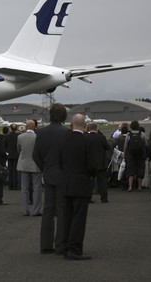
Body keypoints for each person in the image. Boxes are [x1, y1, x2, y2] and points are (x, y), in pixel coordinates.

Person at [33, 103, 68, 255]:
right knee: (62, 210)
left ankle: (46, 245)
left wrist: (45, 168)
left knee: (48, 209)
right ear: (64, 116)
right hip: (63, 175)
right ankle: (61, 244)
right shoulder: (67, 133)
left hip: (48, 173)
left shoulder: (41, 133)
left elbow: (36, 155)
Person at [59, 114, 94, 260]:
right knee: (79, 218)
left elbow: (60, 161)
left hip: (66, 182)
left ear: (71, 124)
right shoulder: (87, 141)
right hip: (81, 182)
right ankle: (74, 249)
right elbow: (92, 165)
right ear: (84, 125)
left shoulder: (63, 140)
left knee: (67, 216)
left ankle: (65, 246)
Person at [17, 120, 43, 216]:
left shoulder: (20, 137)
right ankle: (36, 210)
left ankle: (25, 210)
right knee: (37, 188)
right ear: (35, 127)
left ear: (26, 127)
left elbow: (18, 149)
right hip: (35, 165)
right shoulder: (38, 137)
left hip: (23, 164)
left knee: (24, 189)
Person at [86, 123, 111, 203]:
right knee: (102, 181)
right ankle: (104, 198)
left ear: (89, 129)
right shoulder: (101, 137)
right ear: (96, 128)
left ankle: (88, 198)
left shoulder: (86, 137)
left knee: (89, 181)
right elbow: (108, 147)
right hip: (100, 163)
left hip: (89, 163)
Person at [123, 120, 148, 192]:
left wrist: (125, 155)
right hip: (140, 154)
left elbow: (125, 146)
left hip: (130, 154)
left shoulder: (128, 134)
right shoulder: (142, 134)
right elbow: (146, 144)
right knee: (140, 169)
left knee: (130, 170)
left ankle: (130, 186)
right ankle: (139, 186)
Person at [5, 123, 20, 190]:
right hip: (16, 155)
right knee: (15, 170)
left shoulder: (7, 136)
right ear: (16, 128)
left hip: (9, 154)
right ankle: (15, 184)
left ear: (10, 128)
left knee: (10, 170)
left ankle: (10, 185)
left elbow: (4, 145)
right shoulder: (18, 136)